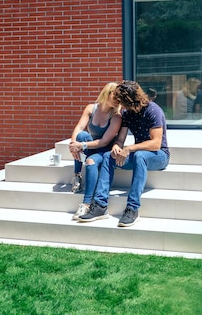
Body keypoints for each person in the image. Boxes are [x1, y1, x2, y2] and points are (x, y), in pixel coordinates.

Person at [78, 80, 170, 227]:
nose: (119, 104)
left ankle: (132, 208)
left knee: (140, 155)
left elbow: (155, 143)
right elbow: (120, 139)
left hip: (158, 155)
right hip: (138, 153)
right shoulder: (127, 113)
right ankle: (100, 205)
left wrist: (129, 148)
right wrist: (117, 146)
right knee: (109, 156)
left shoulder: (153, 111)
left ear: (130, 100)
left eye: (122, 101)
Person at [69, 82, 122, 220]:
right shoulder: (91, 108)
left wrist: (82, 146)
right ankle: (77, 175)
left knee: (90, 160)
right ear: (107, 92)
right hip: (91, 144)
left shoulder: (116, 116)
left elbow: (104, 141)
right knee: (80, 136)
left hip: (105, 149)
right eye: (115, 95)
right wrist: (73, 144)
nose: (118, 98)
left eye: (119, 97)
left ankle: (86, 204)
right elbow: (79, 127)